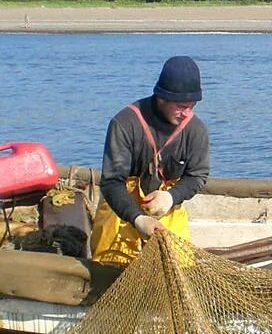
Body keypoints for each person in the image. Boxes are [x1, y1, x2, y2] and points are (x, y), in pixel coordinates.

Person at [90, 55, 210, 266]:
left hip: (166, 213)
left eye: (192, 106)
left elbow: (197, 176)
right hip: (121, 215)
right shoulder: (125, 123)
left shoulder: (195, 130)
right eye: (181, 106)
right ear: (161, 97)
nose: (187, 114)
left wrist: (170, 197)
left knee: (178, 268)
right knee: (112, 271)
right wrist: (138, 219)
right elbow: (111, 183)